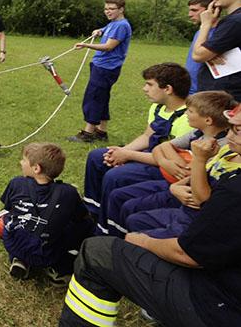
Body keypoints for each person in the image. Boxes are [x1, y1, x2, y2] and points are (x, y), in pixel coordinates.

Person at [58, 107, 241, 326]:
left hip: (217, 306)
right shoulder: (228, 165)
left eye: (237, 131)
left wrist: (141, 241)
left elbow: (189, 254)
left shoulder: (235, 189)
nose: (228, 135)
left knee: (96, 252)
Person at [79, 63, 191, 234]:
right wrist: (120, 152)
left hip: (165, 167)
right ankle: (92, 211)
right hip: (149, 155)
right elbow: (147, 136)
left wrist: (128, 154)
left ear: (168, 89)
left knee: (115, 176)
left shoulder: (188, 119)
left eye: (149, 84)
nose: (144, 88)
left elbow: (173, 161)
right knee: (97, 156)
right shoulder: (158, 107)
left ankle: (106, 227)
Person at [104, 90, 234, 237]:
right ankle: (109, 236)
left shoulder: (219, 146)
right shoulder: (197, 133)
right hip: (174, 183)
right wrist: (169, 162)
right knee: (118, 195)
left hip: (185, 194)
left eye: (190, 111)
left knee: (130, 206)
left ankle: (121, 242)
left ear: (208, 120)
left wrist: (178, 166)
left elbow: (192, 175)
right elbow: (163, 147)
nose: (186, 114)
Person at [0, 143, 93, 284]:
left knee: (14, 219)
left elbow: (8, 207)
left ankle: (19, 259)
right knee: (85, 225)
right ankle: (61, 269)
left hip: (14, 244)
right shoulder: (68, 192)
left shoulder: (16, 183)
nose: (21, 163)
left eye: (24, 160)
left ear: (36, 168)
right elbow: (81, 216)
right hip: (47, 254)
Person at [69, 0, 132, 142]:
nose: (108, 12)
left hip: (106, 68)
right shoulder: (114, 23)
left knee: (94, 97)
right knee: (102, 98)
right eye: (106, 9)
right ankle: (101, 132)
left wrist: (86, 46)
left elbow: (109, 46)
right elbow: (107, 30)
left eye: (111, 9)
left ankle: (88, 134)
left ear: (121, 9)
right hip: (102, 66)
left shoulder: (122, 25)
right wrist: (100, 31)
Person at [192, 0, 241, 101]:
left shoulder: (235, 21)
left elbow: (198, 55)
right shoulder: (232, 20)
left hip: (225, 95)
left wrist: (205, 24)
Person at [185, 0, 213, 95]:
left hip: (204, 91)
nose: (190, 14)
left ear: (209, 10)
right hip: (189, 88)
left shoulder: (219, 34)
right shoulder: (200, 32)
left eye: (195, 10)